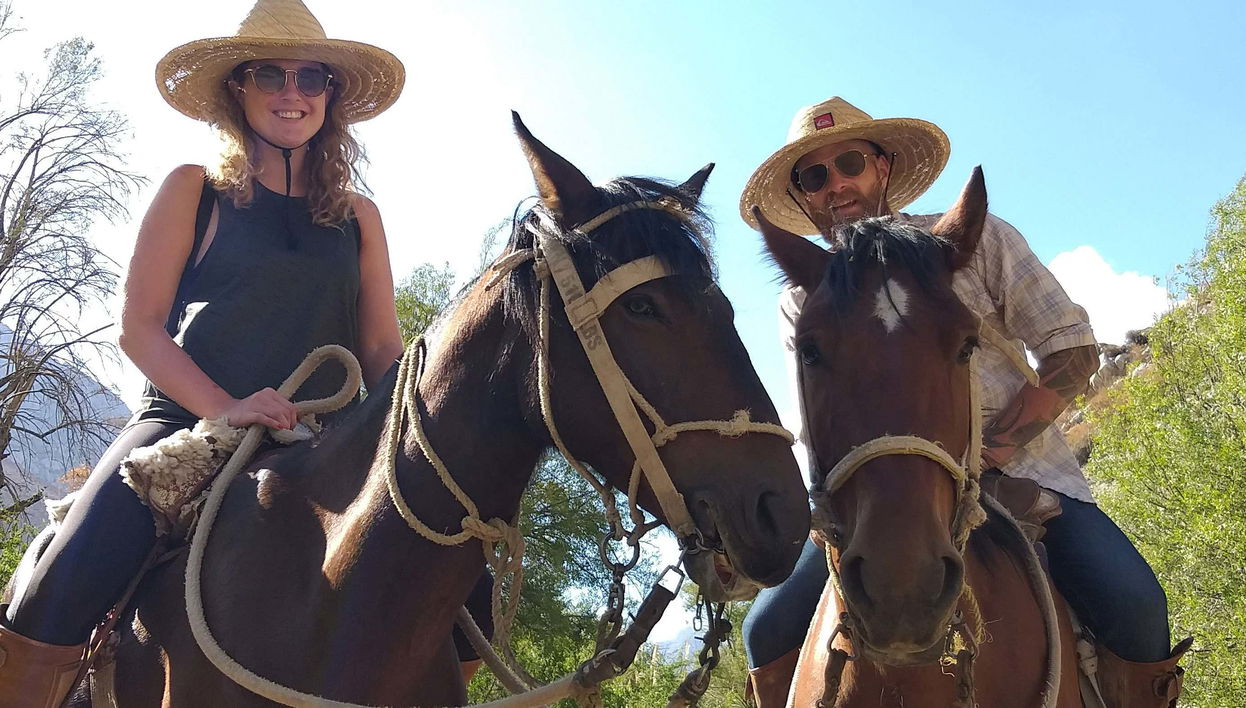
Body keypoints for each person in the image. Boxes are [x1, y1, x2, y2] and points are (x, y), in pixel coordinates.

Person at [0, 1, 484, 703]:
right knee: (63, 579)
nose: (293, 93)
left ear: (330, 94)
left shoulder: (359, 217)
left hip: (324, 437)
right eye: (270, 75)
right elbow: (140, 327)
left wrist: (419, 440)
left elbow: (382, 346)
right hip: (187, 423)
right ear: (239, 88)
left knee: (469, 595)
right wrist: (226, 408)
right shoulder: (194, 190)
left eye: (311, 77)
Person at [736, 96, 1188, 707]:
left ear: (882, 167)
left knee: (1135, 604)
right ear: (803, 197)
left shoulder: (978, 241)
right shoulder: (800, 298)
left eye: (850, 163)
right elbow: (819, 424)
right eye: (815, 176)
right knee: (764, 632)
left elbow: (1072, 352)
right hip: (863, 495)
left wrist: (990, 451)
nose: (836, 184)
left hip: (1023, 476)